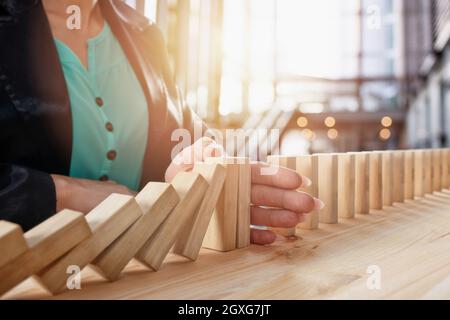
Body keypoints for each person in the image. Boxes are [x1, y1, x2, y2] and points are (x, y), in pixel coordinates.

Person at [0, 0, 323, 245]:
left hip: (137, 274)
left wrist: (200, 176)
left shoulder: (143, 31)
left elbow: (181, 136)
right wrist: (63, 193)